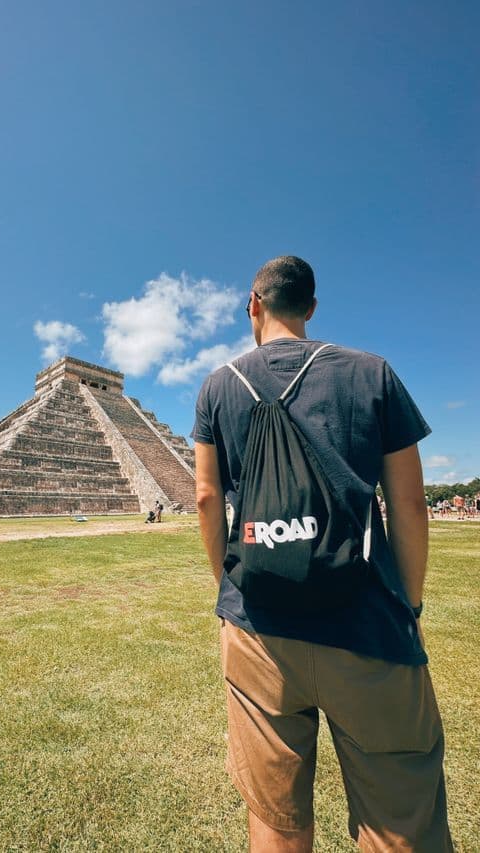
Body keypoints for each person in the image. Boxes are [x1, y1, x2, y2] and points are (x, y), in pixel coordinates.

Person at [193, 256, 451, 852]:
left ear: (252, 305)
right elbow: (409, 505)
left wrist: (229, 587)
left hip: (259, 630)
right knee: (400, 820)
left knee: (277, 818)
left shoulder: (217, 385)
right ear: (311, 308)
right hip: (368, 625)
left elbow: (207, 498)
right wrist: (408, 603)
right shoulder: (372, 373)